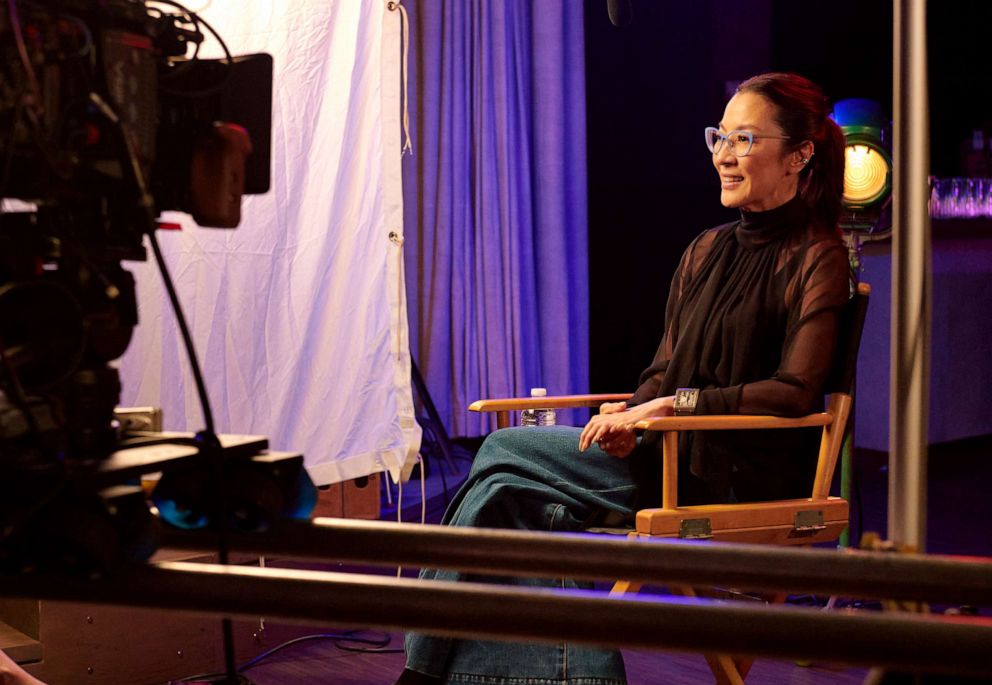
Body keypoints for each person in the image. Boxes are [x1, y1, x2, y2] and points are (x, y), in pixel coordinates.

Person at [396, 72, 852, 685]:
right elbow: (661, 370)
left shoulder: (819, 257)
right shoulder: (704, 250)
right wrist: (627, 421)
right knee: (522, 507)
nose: (723, 155)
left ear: (800, 155)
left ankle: (421, 672)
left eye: (744, 139)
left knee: (503, 450)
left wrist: (668, 409)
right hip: (662, 457)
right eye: (719, 136)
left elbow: (796, 391)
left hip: (739, 474)